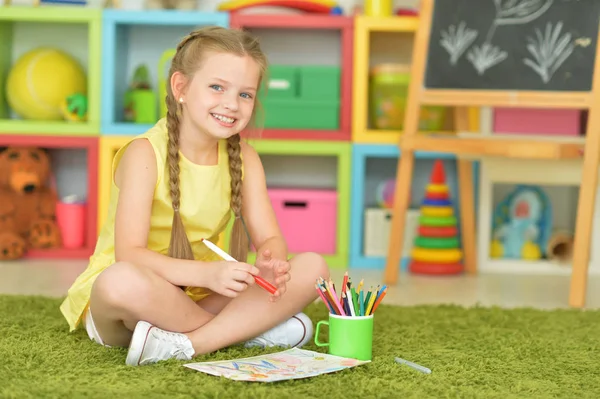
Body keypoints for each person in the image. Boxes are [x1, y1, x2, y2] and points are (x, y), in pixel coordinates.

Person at [59, 26, 330, 366]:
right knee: (118, 282)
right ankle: (245, 331)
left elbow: (270, 238)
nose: (231, 104)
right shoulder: (144, 153)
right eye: (217, 87)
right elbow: (130, 255)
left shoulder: (246, 158)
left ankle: (189, 344)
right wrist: (207, 275)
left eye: (245, 95)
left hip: (206, 295)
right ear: (181, 87)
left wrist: (271, 260)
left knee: (314, 267)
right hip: (141, 299)